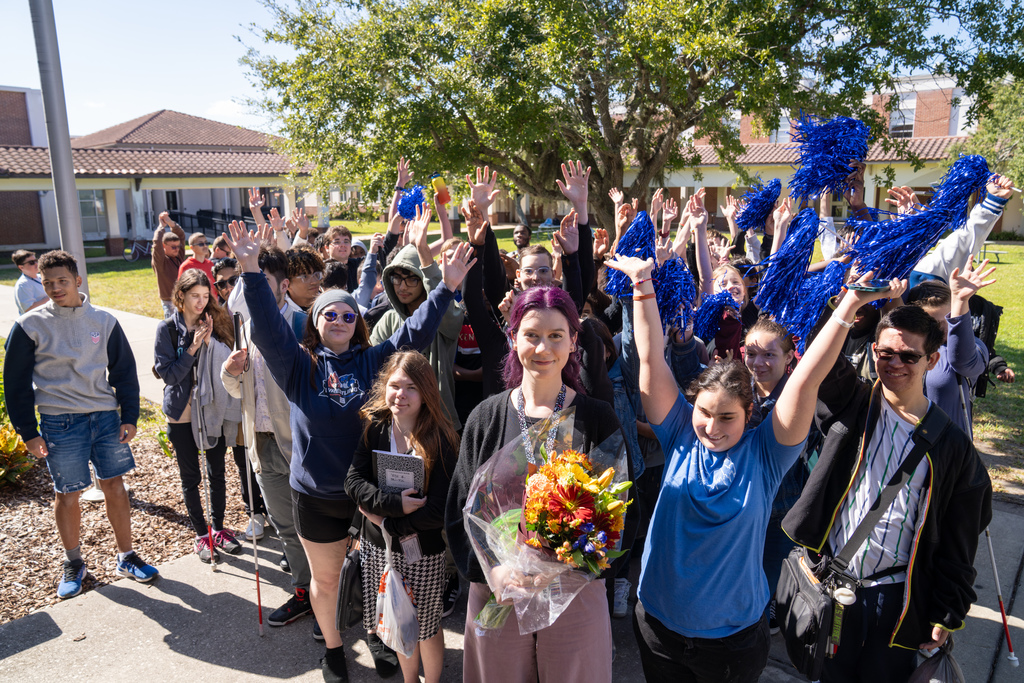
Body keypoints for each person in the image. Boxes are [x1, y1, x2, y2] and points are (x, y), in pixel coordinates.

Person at [604, 258, 888, 682]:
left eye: (727, 418)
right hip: (657, 626)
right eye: (705, 413)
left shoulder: (768, 453)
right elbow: (649, 360)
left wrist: (848, 305)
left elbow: (807, 379)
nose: (712, 429)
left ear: (749, 412)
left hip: (732, 642)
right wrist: (642, 283)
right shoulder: (680, 431)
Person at [225, 218, 474, 683]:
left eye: (347, 314)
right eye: (328, 314)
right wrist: (251, 270)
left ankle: (381, 638)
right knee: (326, 580)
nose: (339, 320)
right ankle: (335, 650)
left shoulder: (371, 361)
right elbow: (266, 326)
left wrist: (446, 289)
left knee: (378, 576)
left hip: (371, 496)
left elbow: (413, 338)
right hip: (317, 493)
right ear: (315, 325)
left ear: (358, 323)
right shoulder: (298, 366)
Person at [782, 296, 992, 682]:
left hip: (896, 600)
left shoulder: (953, 447)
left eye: (908, 356)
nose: (894, 364)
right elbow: (815, 347)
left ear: (932, 360)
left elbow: (959, 539)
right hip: (831, 585)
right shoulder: (852, 403)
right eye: (885, 353)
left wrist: (948, 610)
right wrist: (848, 298)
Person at [445, 286, 636, 683]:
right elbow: (460, 509)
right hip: (499, 592)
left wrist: (571, 563)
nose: (543, 347)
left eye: (555, 336)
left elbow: (622, 516)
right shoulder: (486, 418)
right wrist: (492, 573)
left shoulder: (597, 419)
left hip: (574, 595)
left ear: (573, 342)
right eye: (531, 334)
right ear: (514, 338)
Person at [4, 250, 157, 598]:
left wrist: (129, 416)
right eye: (48, 283)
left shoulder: (104, 321)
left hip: (105, 418)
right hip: (60, 422)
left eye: (62, 281)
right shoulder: (29, 325)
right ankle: (74, 562)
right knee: (67, 493)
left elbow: (124, 373)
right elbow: (15, 384)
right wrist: (28, 432)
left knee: (114, 487)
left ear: (77, 280)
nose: (55, 288)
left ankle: (127, 556)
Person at [345, 351, 460, 683]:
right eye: (394, 385)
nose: (401, 395)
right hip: (377, 547)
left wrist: (388, 523)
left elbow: (438, 511)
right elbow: (353, 481)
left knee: (425, 626)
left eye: (411, 387)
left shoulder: (441, 438)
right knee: (396, 619)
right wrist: (393, 505)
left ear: (426, 391)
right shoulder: (375, 428)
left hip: (420, 550)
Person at [222, 245, 319, 636]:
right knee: (283, 523)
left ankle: (331, 590)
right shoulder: (244, 329)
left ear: (282, 285)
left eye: (257, 281)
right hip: (260, 443)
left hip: (301, 443)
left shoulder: (305, 325)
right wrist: (230, 371)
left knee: (316, 523)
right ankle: (304, 592)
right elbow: (235, 389)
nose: (249, 291)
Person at [154, 270, 242, 563]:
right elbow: (169, 374)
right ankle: (200, 534)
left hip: (212, 407)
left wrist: (210, 343)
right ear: (180, 296)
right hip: (182, 410)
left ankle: (218, 528)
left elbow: (228, 361)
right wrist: (192, 347)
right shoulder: (166, 330)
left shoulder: (216, 325)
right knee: (191, 476)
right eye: (195, 296)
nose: (201, 303)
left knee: (217, 471)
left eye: (206, 296)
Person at [369, 206, 465, 431]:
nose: (402, 286)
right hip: (396, 421)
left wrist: (422, 249)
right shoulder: (389, 320)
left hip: (440, 422)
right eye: (396, 278)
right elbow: (372, 365)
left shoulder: (447, 315)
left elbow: (440, 297)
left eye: (411, 278)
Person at [906, 259, 995, 437]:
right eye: (933, 324)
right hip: (902, 444)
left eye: (950, 318)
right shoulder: (904, 347)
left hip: (948, 451)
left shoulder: (974, 346)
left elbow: (964, 362)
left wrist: (961, 300)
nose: (945, 328)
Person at [153, 212, 187, 318]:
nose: (177, 249)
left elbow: (181, 236)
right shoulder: (160, 261)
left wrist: (171, 223)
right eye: (173, 247)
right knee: (172, 330)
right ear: (164, 246)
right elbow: (156, 243)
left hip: (183, 299)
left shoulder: (178, 256)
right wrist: (161, 227)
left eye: (178, 246)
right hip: (169, 301)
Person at [12, 249, 48, 315]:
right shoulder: (23, 284)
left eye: (36, 261)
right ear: (21, 267)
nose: (36, 264)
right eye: (31, 263)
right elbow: (28, 309)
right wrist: (51, 298)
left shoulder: (41, 276)